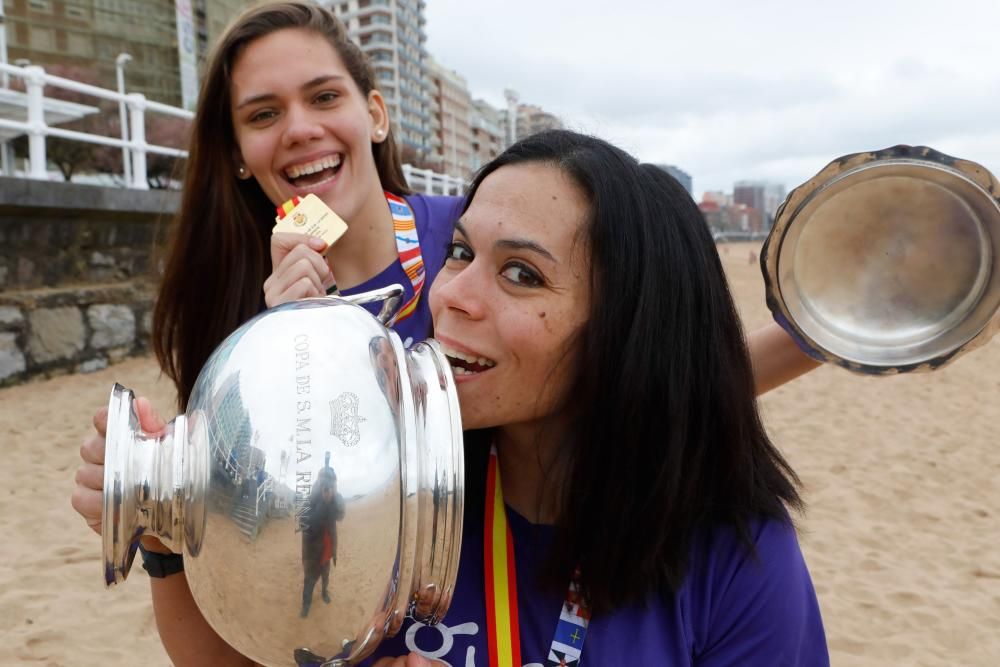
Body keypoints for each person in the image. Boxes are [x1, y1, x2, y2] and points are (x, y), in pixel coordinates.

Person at [75, 129, 829, 665]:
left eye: (522, 274)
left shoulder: (734, 558)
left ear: (629, 333)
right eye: (462, 251)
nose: (452, 294)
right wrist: (166, 532)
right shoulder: (371, 481)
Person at [299, 454, 345, 619]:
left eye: (331, 483)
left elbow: (341, 515)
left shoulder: (335, 500)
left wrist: (333, 500)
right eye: (323, 482)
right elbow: (303, 523)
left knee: (326, 576)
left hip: (327, 551)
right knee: (309, 581)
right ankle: (306, 606)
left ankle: (324, 592)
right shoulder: (310, 500)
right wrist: (322, 504)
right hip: (312, 554)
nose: (327, 487)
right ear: (318, 484)